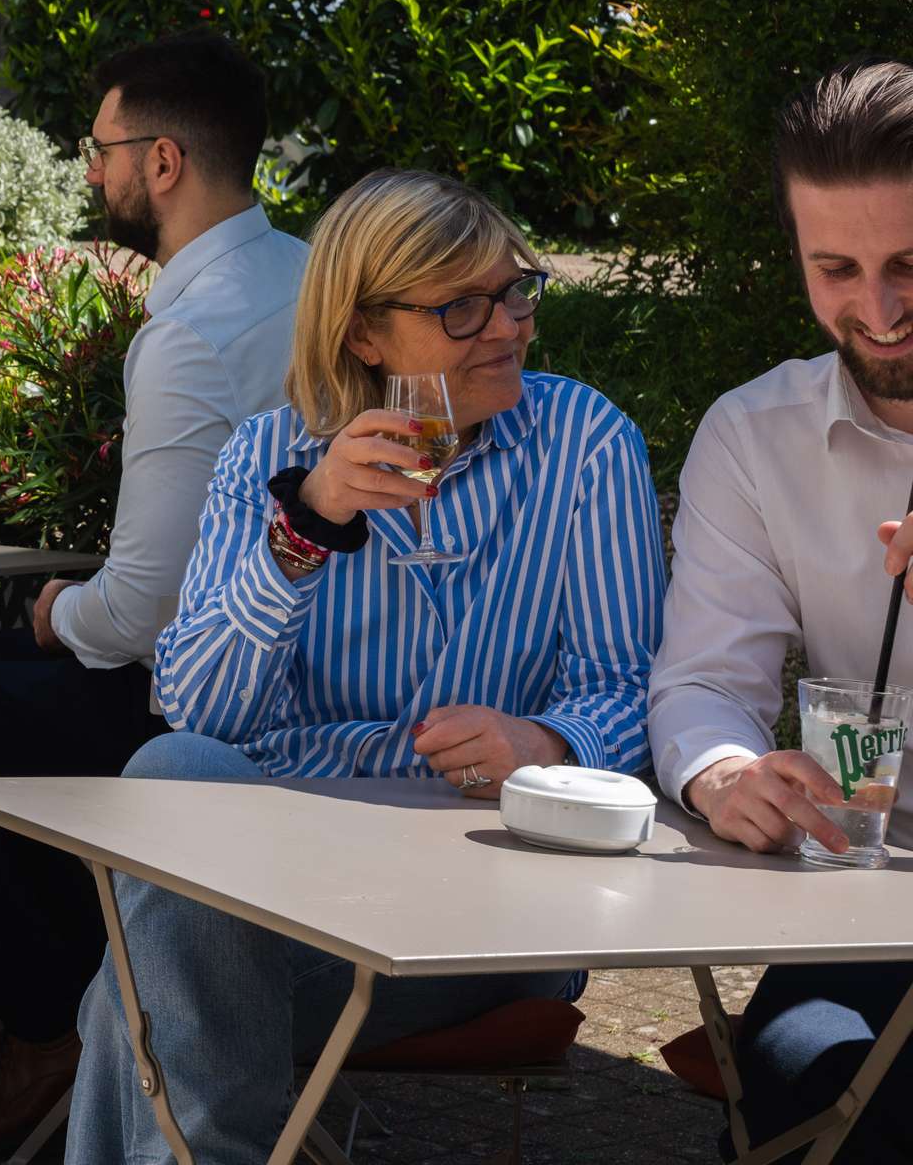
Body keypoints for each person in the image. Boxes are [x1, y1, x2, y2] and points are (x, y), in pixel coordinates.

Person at [69, 168, 665, 1164]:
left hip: (483, 896)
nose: (508, 327)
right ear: (362, 334)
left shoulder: (582, 443)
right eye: (461, 307)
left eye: (513, 290)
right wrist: (304, 530)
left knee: (131, 997)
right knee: (175, 781)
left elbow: (621, 687)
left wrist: (541, 739)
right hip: (283, 885)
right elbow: (194, 711)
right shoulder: (269, 455)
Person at [0, 31, 311, 1157]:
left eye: (101, 151)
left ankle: (61, 1023)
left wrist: (55, 612)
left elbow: (138, 612)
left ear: (164, 161)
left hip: (193, 704)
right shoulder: (302, 274)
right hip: (307, 673)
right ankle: (103, 989)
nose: (90, 174)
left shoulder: (193, 327)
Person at [650, 59, 913, 1161]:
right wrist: (722, 774)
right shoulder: (751, 437)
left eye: (910, 264)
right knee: (799, 1090)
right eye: (836, 269)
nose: (879, 310)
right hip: (868, 899)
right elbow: (704, 681)